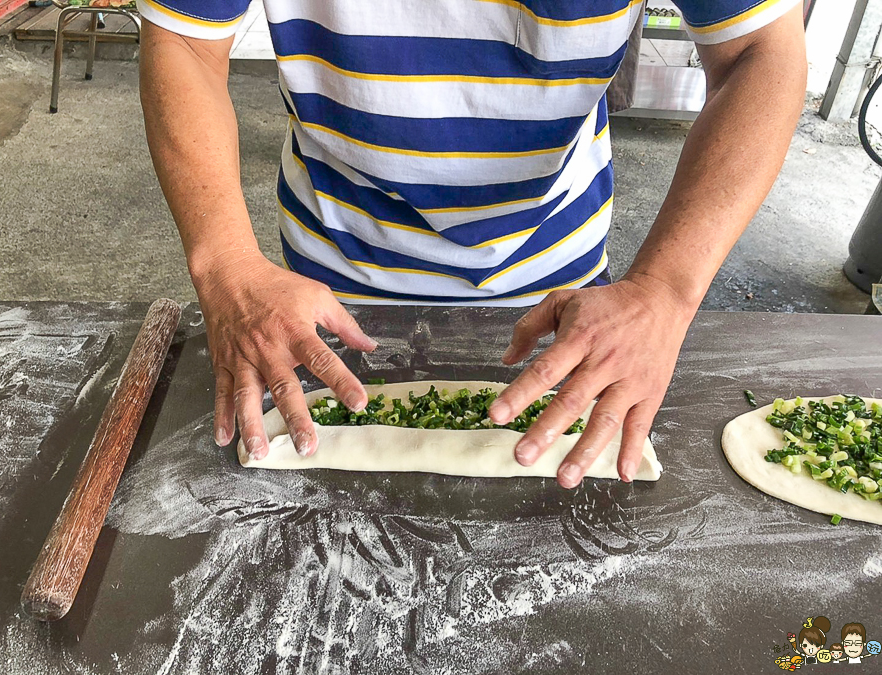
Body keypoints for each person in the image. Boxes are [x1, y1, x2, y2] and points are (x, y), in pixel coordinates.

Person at [138, 0, 807, 487]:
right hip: (326, 281)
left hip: (556, 293)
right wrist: (224, 261)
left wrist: (666, 290)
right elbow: (185, 42)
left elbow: (762, 52)